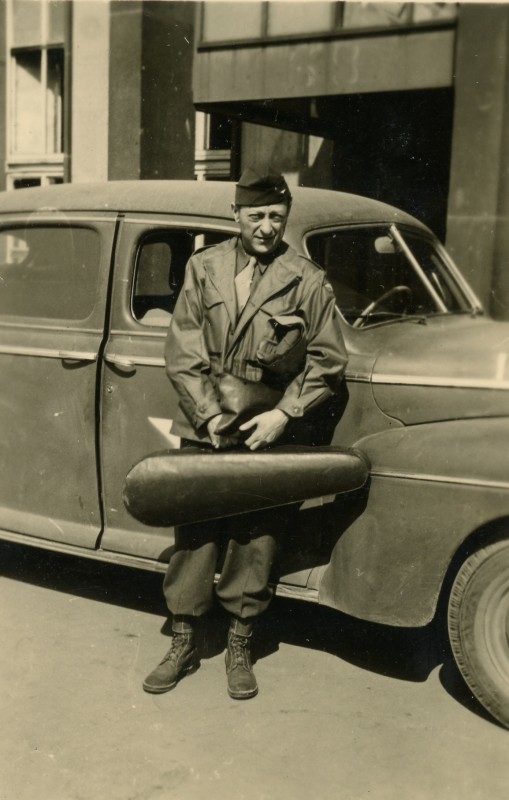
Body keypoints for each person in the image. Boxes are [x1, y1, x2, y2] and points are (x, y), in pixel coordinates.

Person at [143, 167, 348, 699]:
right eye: (255, 216)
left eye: (276, 217)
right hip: (205, 424)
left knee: (255, 540)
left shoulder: (305, 278)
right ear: (235, 215)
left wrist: (285, 414)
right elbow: (183, 347)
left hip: (265, 427)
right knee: (195, 536)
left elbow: (327, 359)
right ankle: (184, 640)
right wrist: (208, 414)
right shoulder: (204, 267)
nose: (265, 227)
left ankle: (240, 644)